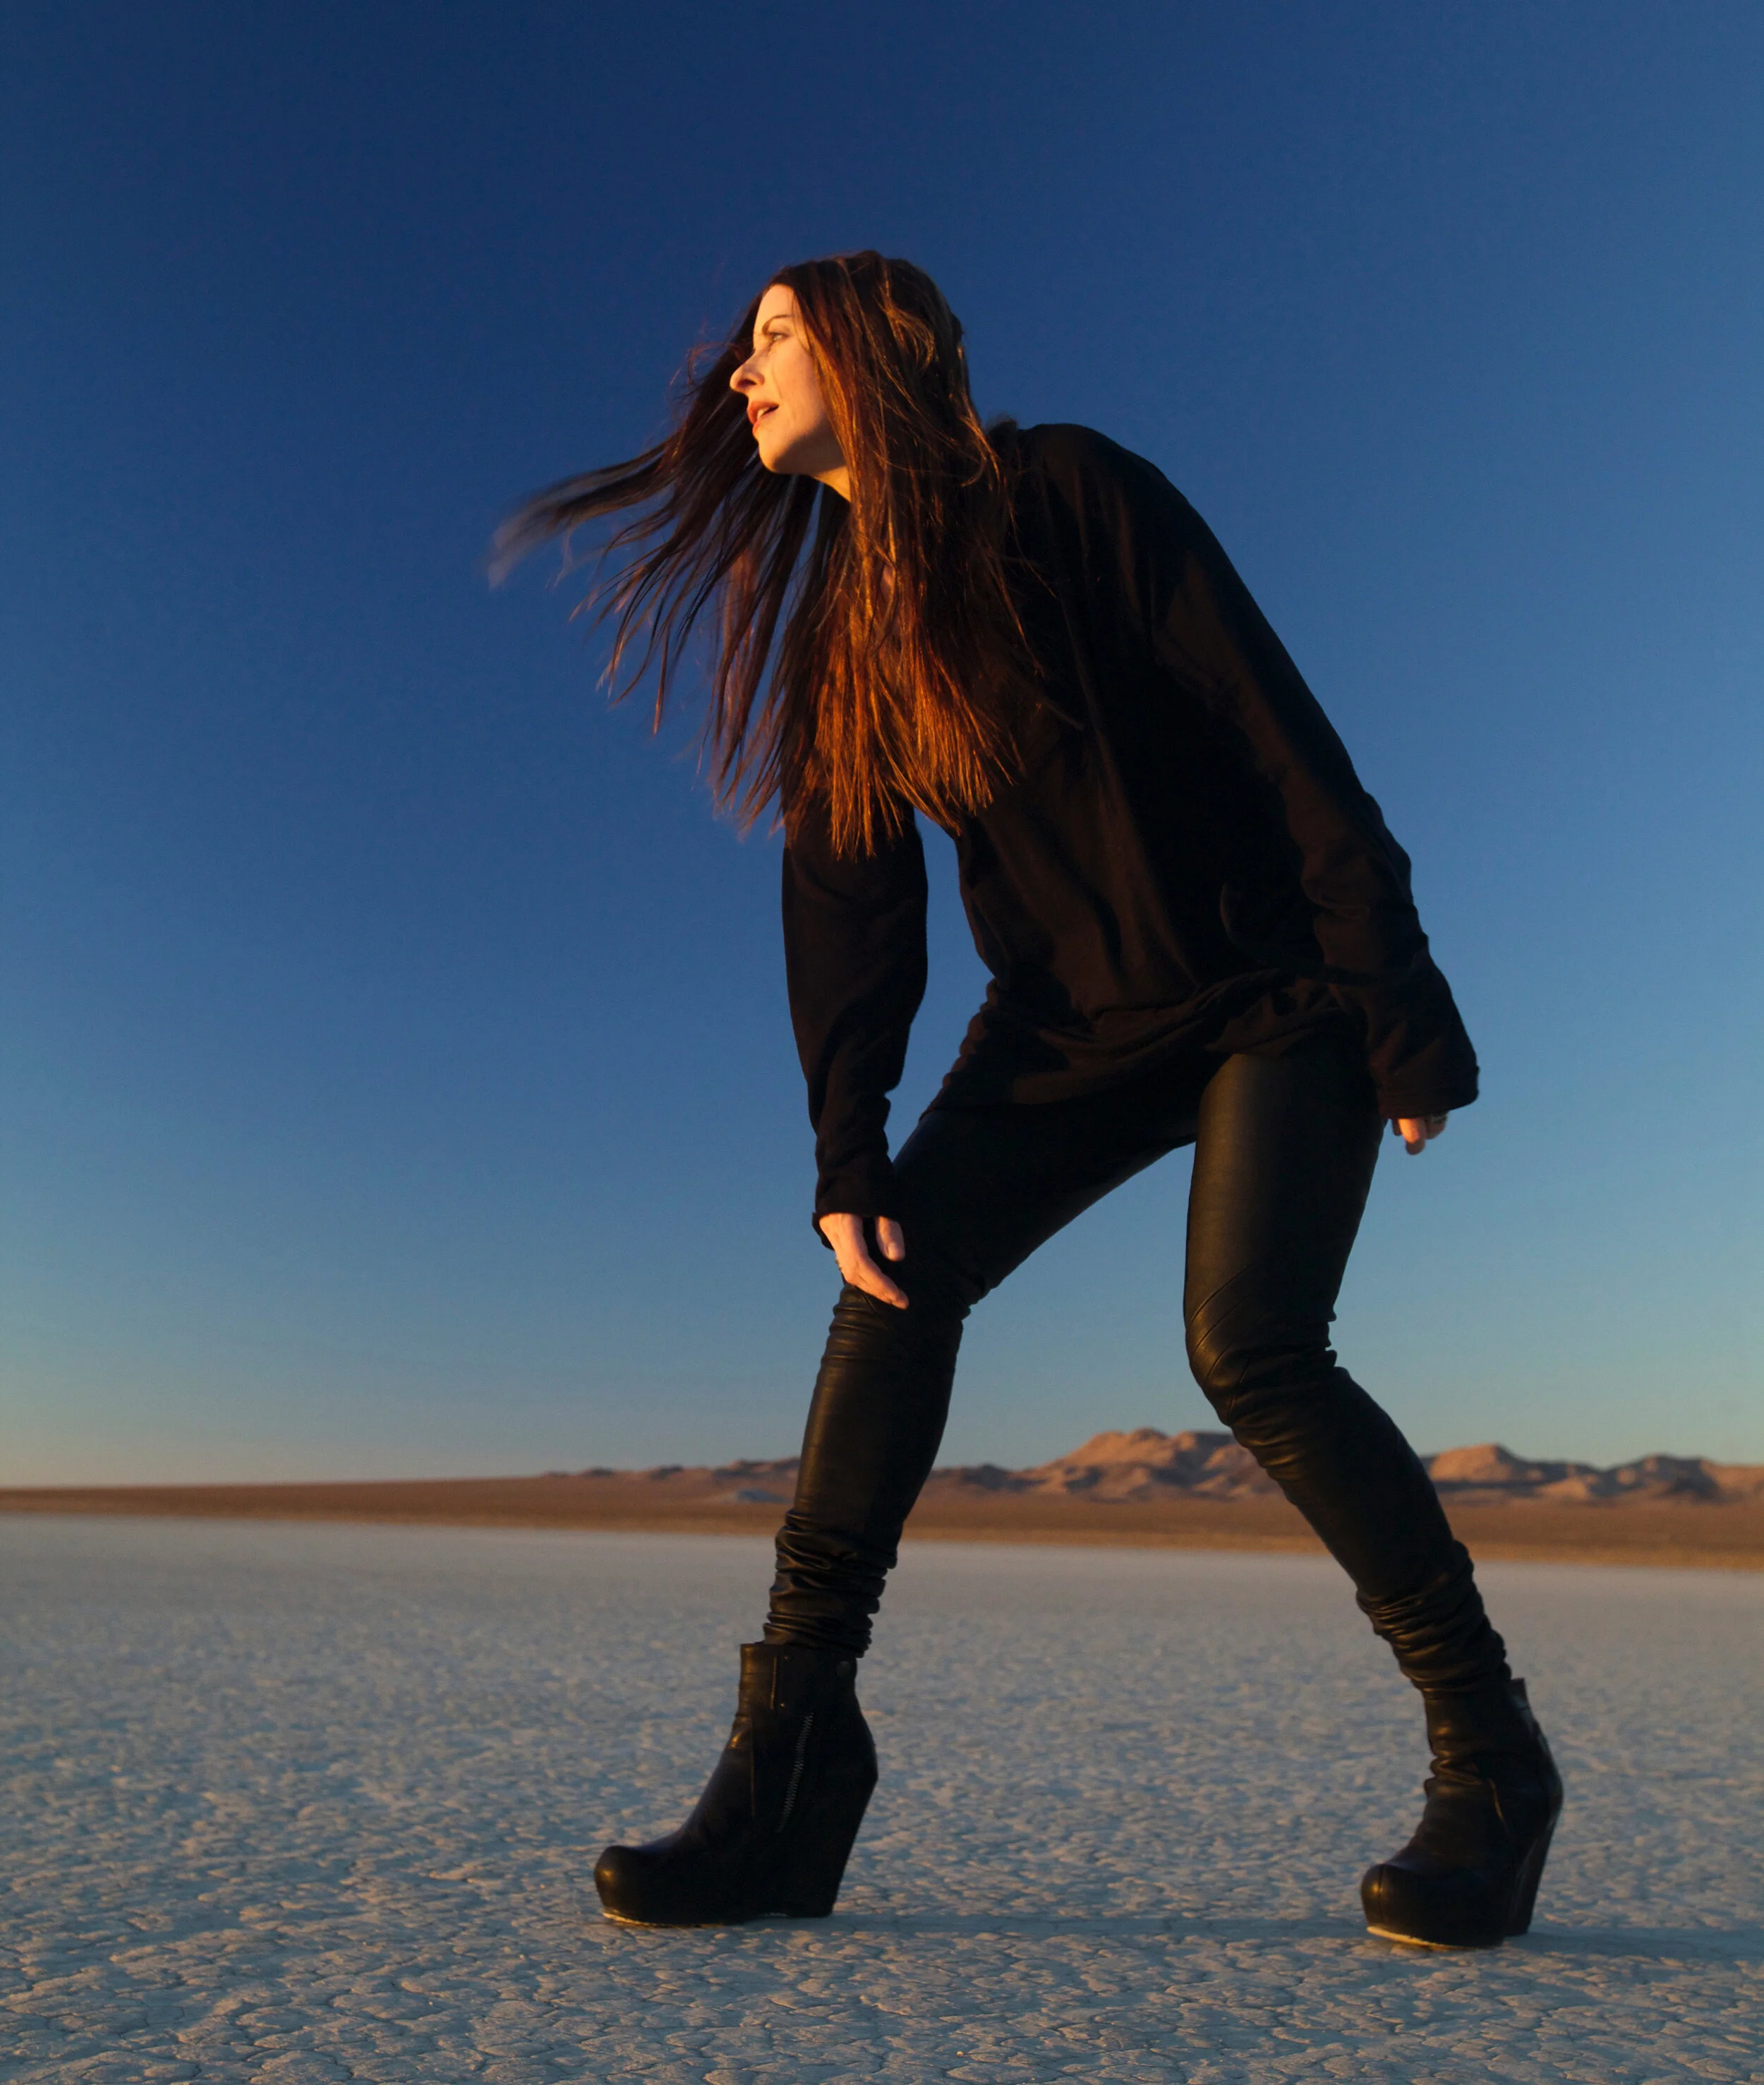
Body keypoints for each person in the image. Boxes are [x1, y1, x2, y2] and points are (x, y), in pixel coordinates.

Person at [497, 252, 1561, 1950]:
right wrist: (846, 1147)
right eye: (745, 346)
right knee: (890, 1281)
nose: (738, 372)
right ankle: (787, 1765)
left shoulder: (1066, 486)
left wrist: (1394, 999)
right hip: (1062, 1028)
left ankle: (1491, 1764)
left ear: (877, 345)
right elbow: (845, 905)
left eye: (775, 336)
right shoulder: (842, 639)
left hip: (1265, 988)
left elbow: (1278, 731)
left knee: (1249, 1345)